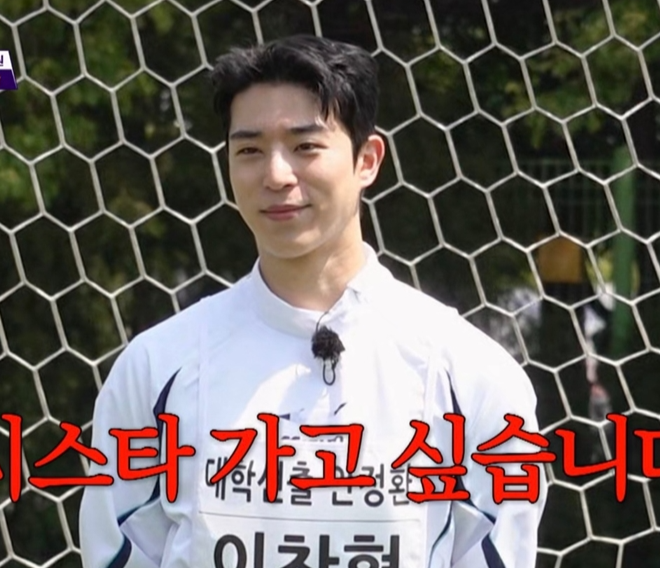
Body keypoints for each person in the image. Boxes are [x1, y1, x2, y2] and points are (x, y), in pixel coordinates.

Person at [79, 35, 546, 567]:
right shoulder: (156, 367)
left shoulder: (469, 373)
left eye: (305, 147)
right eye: (250, 150)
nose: (276, 175)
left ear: (367, 160)